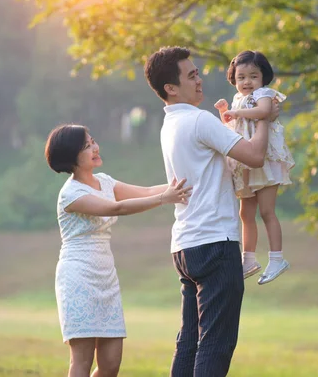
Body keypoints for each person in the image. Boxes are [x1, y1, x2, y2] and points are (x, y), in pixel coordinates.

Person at [144, 46, 279, 377]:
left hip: (186, 246)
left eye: (197, 72)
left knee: (189, 343)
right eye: (191, 75)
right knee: (216, 345)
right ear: (170, 88)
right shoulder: (199, 119)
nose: (200, 79)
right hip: (216, 243)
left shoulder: (170, 125)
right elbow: (255, 156)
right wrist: (266, 118)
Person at [44, 124, 192, 377]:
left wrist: (184, 184)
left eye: (93, 141)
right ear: (71, 156)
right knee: (82, 360)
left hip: (106, 277)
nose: (95, 147)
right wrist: (165, 199)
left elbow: (145, 191)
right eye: (87, 146)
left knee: (111, 364)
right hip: (78, 278)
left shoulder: (104, 182)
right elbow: (117, 208)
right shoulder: (70, 194)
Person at [214, 50, 295, 285]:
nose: (247, 82)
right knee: (245, 212)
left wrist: (236, 111)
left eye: (253, 76)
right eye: (241, 77)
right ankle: (248, 258)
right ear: (234, 79)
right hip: (246, 161)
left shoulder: (264, 94)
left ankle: (277, 258)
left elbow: (263, 112)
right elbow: (232, 126)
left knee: (267, 211)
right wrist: (225, 112)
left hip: (265, 160)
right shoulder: (237, 99)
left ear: (263, 77)